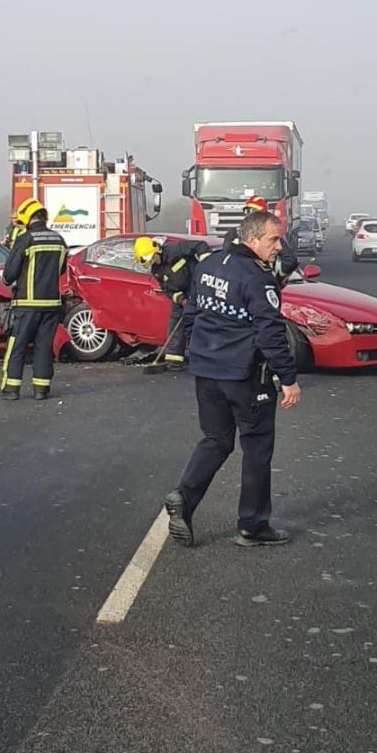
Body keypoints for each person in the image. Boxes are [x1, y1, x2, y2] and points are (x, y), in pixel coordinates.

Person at [164, 210, 302, 548]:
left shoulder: (209, 265)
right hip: (244, 377)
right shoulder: (258, 277)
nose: (279, 247)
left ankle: (184, 496)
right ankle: (252, 525)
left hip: (206, 371)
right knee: (256, 448)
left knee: (216, 440)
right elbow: (270, 332)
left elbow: (192, 314)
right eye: (273, 239)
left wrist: (194, 352)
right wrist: (288, 379)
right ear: (252, 239)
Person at [0, 199, 68, 400]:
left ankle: (11, 389)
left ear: (27, 218)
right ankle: (41, 389)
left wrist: (7, 278)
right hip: (52, 304)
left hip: (27, 304)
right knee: (44, 346)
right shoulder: (59, 240)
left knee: (17, 345)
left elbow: (10, 273)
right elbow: (61, 269)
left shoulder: (26, 239)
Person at [133, 235, 211, 370]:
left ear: (156, 251)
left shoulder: (175, 250)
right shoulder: (156, 271)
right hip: (183, 296)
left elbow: (200, 245)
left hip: (198, 287)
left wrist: (208, 268)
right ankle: (174, 361)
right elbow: (167, 289)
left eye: (152, 258)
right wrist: (181, 299)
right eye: (149, 261)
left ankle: (203, 357)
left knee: (197, 322)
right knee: (175, 324)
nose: (152, 262)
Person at [222, 196, 299, 287]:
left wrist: (277, 280)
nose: (249, 215)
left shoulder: (235, 236)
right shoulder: (233, 236)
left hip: (246, 285)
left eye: (253, 212)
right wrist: (277, 280)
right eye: (248, 212)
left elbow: (290, 261)